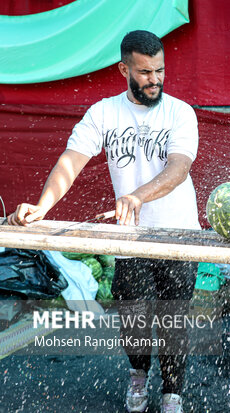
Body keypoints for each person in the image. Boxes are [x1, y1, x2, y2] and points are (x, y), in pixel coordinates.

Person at [7, 30, 200, 413]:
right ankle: (139, 379)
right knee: (133, 317)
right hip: (127, 239)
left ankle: (172, 394)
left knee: (174, 319)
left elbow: (178, 168)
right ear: (123, 69)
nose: (155, 79)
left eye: (160, 70)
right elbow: (71, 160)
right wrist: (44, 206)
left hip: (179, 232)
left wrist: (136, 197)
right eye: (145, 72)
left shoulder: (180, 112)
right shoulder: (104, 112)